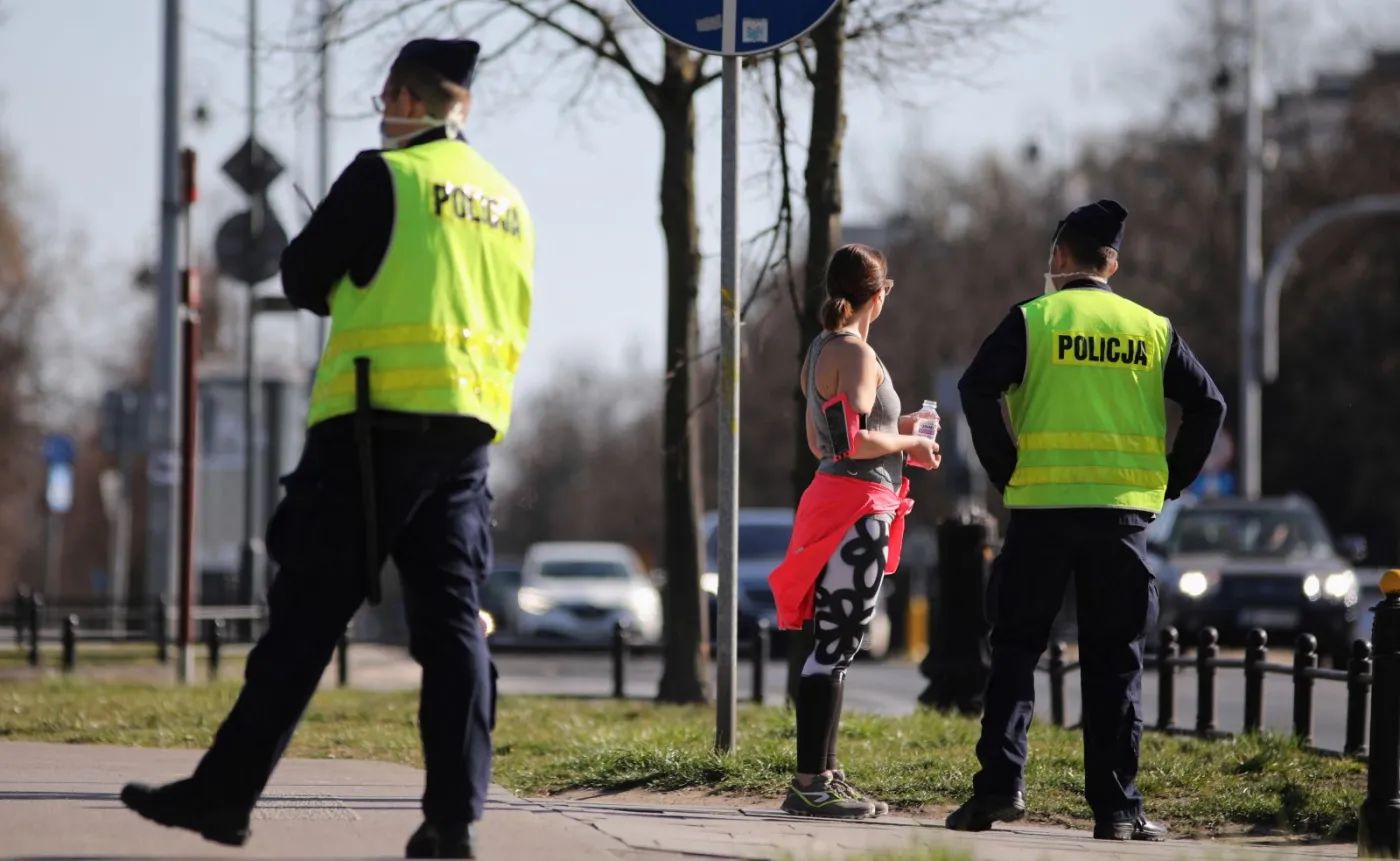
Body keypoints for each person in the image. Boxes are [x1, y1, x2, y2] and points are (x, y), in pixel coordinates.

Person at [119, 38, 534, 860]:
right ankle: (453, 820)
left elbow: (302, 278)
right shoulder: (507, 200)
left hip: (370, 428)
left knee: (306, 617)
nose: (383, 113)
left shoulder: (383, 175)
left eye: (387, 98)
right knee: (453, 627)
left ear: (410, 101)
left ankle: (224, 794)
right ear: (466, 105)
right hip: (466, 436)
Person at [945, 200, 1225, 842]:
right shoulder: (1151, 328)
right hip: (1122, 517)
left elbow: (974, 388)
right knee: (1114, 659)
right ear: (1114, 264)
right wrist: (1173, 477)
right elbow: (1208, 403)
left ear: (1058, 259)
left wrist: (1006, 469)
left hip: (1041, 510)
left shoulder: (1034, 320)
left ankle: (999, 788)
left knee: (1017, 648)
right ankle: (1118, 809)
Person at [768, 244, 941, 819]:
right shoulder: (857, 354)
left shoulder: (820, 348)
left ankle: (826, 774)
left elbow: (823, 442)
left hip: (836, 498)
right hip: (856, 507)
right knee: (835, 644)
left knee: (835, 646)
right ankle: (810, 783)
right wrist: (911, 443)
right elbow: (851, 443)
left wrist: (902, 426)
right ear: (881, 292)